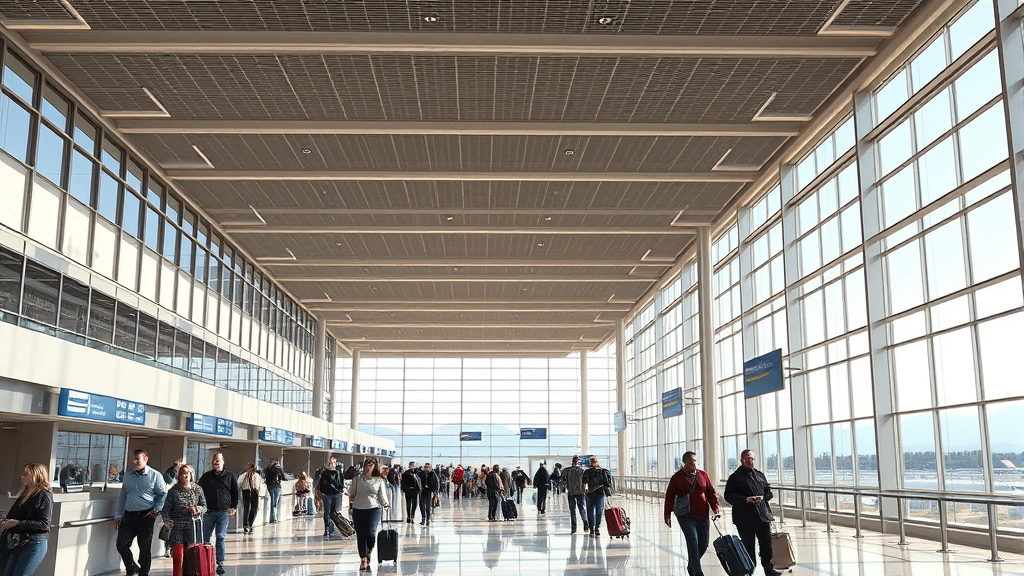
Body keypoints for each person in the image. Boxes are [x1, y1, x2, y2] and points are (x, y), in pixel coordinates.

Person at [724, 449, 782, 576]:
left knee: (766, 543)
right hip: (744, 518)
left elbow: (767, 492)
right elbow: (728, 496)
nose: (750, 461)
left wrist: (765, 496)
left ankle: (768, 568)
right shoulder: (735, 477)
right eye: (747, 458)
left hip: (762, 515)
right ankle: (750, 569)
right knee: (748, 545)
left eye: (752, 458)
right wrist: (745, 500)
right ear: (741, 460)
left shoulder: (759, 475)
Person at [665, 451, 721, 576]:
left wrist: (716, 509)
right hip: (685, 515)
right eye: (690, 463)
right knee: (692, 541)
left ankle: (692, 565)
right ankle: (697, 571)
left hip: (702, 514)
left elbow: (711, 493)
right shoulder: (677, 478)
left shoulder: (703, 475)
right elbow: (669, 496)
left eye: (695, 462)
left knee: (704, 544)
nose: (694, 465)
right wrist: (667, 515)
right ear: (684, 463)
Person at [115, 449, 168, 576]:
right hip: (129, 515)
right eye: (134, 458)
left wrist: (156, 510)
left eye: (137, 458)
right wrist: (118, 515)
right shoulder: (128, 476)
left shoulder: (155, 476)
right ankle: (131, 567)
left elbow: (162, 494)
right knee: (121, 544)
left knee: (144, 546)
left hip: (146, 515)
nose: (135, 461)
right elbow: (123, 496)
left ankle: (143, 572)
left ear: (145, 459)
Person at [2, 463, 52, 576]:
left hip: (34, 543)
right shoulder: (25, 494)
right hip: (18, 542)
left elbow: (44, 524)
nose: (22, 477)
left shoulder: (44, 495)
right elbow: (14, 515)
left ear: (35, 476)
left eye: (26, 474)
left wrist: (18, 523)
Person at [160, 464, 208, 576]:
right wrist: (167, 520)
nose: (185, 476)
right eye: (182, 473)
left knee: (191, 560)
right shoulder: (173, 491)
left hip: (193, 528)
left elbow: (204, 506)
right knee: (178, 558)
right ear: (179, 476)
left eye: (187, 473)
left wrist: (198, 509)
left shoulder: (197, 489)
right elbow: (165, 509)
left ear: (192, 475)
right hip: (177, 527)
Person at [197, 453, 239, 575]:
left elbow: (235, 492)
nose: (216, 462)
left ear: (223, 461)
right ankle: (205, 561)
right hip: (208, 512)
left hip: (223, 512)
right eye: (214, 461)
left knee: (220, 536)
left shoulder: (230, 476)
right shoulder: (206, 476)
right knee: (205, 538)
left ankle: (220, 563)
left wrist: (233, 507)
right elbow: (198, 491)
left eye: (218, 460)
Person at [347, 458, 391, 571]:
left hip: (374, 509)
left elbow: (382, 494)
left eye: (372, 463)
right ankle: (363, 559)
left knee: (371, 533)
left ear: (375, 466)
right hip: (358, 509)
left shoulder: (379, 480)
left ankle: (369, 551)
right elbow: (351, 494)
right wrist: (351, 503)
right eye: (368, 463)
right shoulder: (357, 479)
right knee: (361, 535)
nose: (370, 465)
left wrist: (386, 504)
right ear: (365, 465)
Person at [581, 456, 611, 538]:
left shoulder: (602, 471)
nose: (592, 463)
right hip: (590, 494)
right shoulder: (587, 472)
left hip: (599, 494)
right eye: (591, 461)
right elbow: (583, 483)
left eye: (593, 461)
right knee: (590, 512)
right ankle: (592, 528)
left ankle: (597, 527)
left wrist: (586, 490)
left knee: (599, 512)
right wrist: (585, 490)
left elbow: (606, 483)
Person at [561, 456, 589, 534]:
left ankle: (574, 527)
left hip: (572, 492)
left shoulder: (567, 470)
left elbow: (563, 481)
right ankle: (585, 524)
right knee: (581, 509)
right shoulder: (582, 470)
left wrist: (564, 487)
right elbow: (585, 481)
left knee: (573, 510)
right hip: (579, 492)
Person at [317, 456, 344, 538]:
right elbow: (340, 483)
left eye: (334, 463)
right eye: (332, 463)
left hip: (331, 494)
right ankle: (328, 528)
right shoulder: (333, 472)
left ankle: (329, 528)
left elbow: (322, 484)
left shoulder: (333, 472)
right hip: (331, 494)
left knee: (330, 512)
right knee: (330, 512)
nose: (333, 465)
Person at [161, 460, 182, 558]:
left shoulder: (179, 479)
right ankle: (168, 548)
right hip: (171, 507)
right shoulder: (171, 476)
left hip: (177, 508)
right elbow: (169, 479)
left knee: (175, 530)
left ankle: (171, 548)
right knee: (170, 529)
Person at [237, 462, 263, 534]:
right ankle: (245, 525)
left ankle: (250, 524)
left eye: (252, 467)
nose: (251, 469)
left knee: (254, 509)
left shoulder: (257, 475)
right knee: (246, 508)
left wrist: (258, 490)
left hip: (255, 491)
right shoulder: (244, 475)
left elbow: (260, 483)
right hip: (246, 491)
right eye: (250, 467)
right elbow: (239, 483)